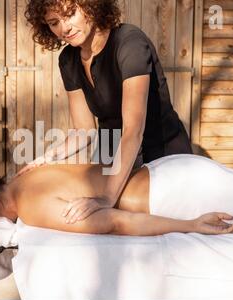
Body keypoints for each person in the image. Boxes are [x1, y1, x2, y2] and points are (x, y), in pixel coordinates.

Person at [0, 154, 233, 298]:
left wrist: (190, 223)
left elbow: (116, 222)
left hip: (179, 194)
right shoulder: (22, 182)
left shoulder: (30, 204)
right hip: (171, 176)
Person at [20, 0, 193, 220]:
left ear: (91, 6)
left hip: (161, 152)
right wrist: (47, 157)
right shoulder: (68, 60)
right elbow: (84, 132)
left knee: (170, 232)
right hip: (111, 156)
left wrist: (107, 197)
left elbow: (133, 131)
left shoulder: (129, 43)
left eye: (71, 14)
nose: (64, 28)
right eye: (54, 23)